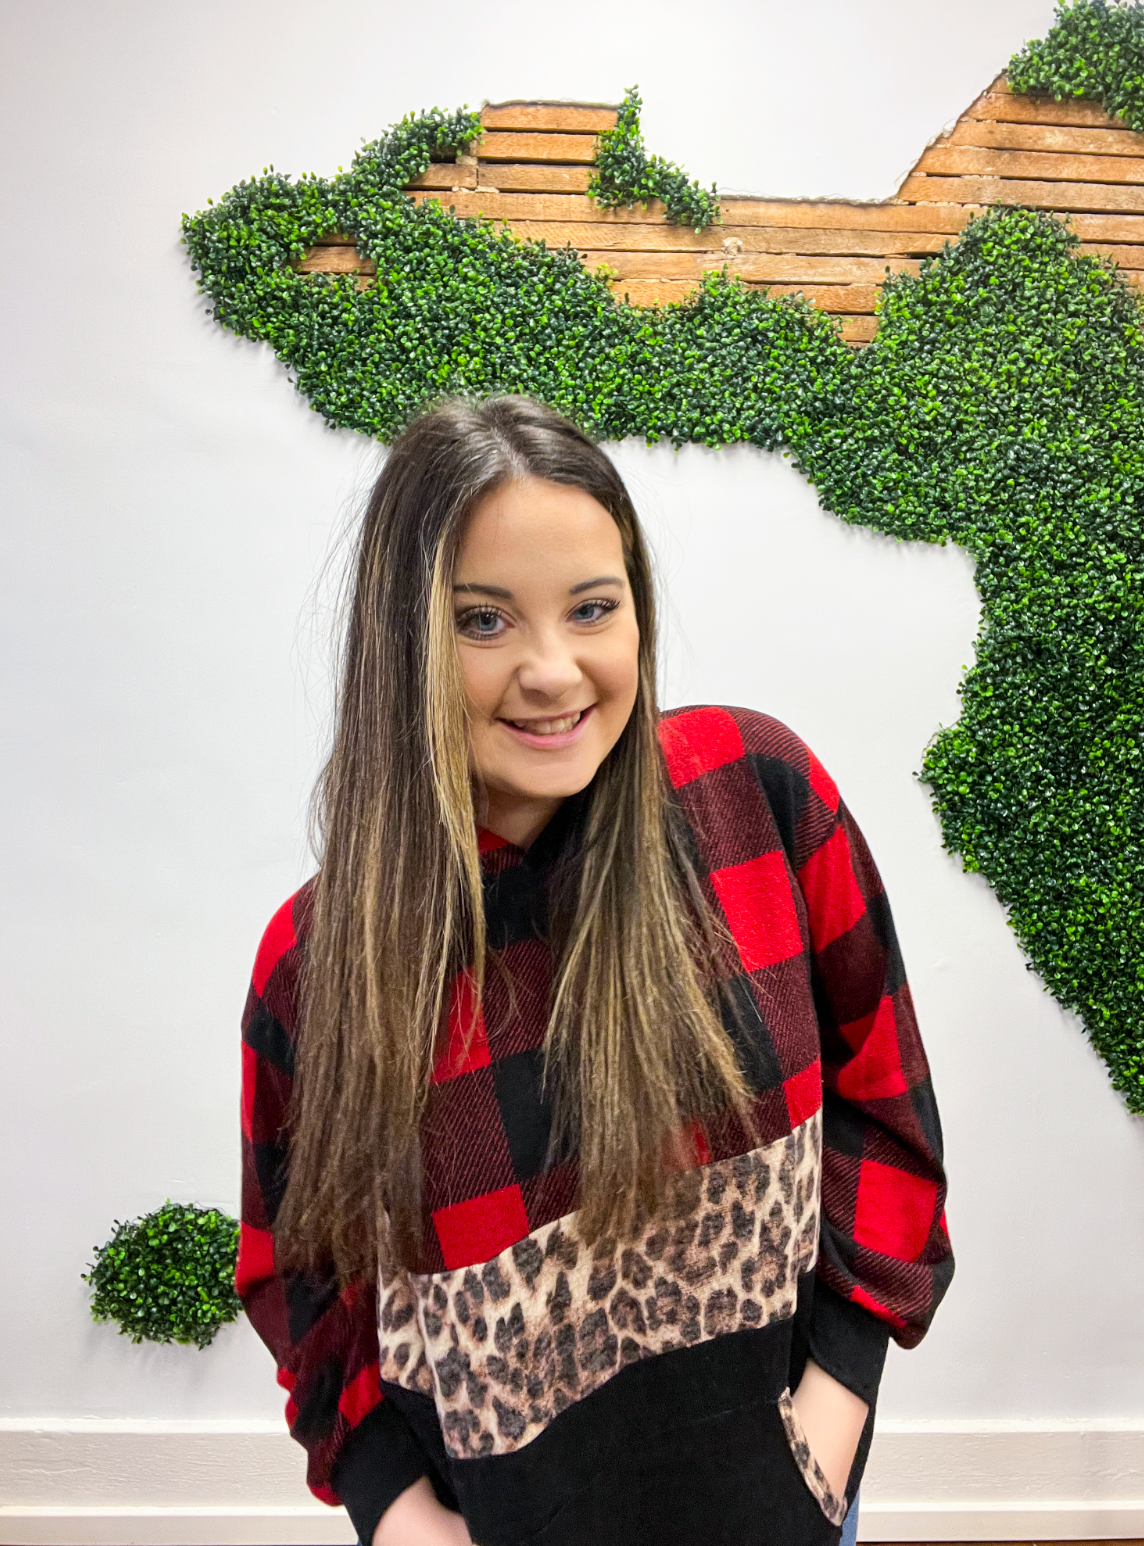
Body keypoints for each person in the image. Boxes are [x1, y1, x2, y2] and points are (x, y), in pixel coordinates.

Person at [238, 396, 953, 1546]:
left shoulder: (757, 796)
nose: (551, 669)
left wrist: (830, 1421)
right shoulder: (315, 966)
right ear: (401, 641)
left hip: (790, 1511)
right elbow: (302, 1277)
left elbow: (885, 1105)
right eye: (482, 620)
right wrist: (400, 1514)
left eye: (590, 607)